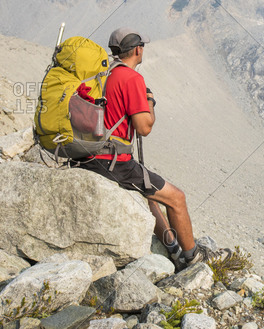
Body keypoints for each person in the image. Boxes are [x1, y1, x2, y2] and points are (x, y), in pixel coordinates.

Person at [76, 27, 229, 270]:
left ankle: (172, 248)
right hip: (112, 161)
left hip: (88, 153)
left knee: (149, 195)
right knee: (177, 198)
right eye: (142, 46)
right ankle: (193, 258)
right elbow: (144, 127)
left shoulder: (103, 73)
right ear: (137, 49)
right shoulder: (131, 78)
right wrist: (150, 100)